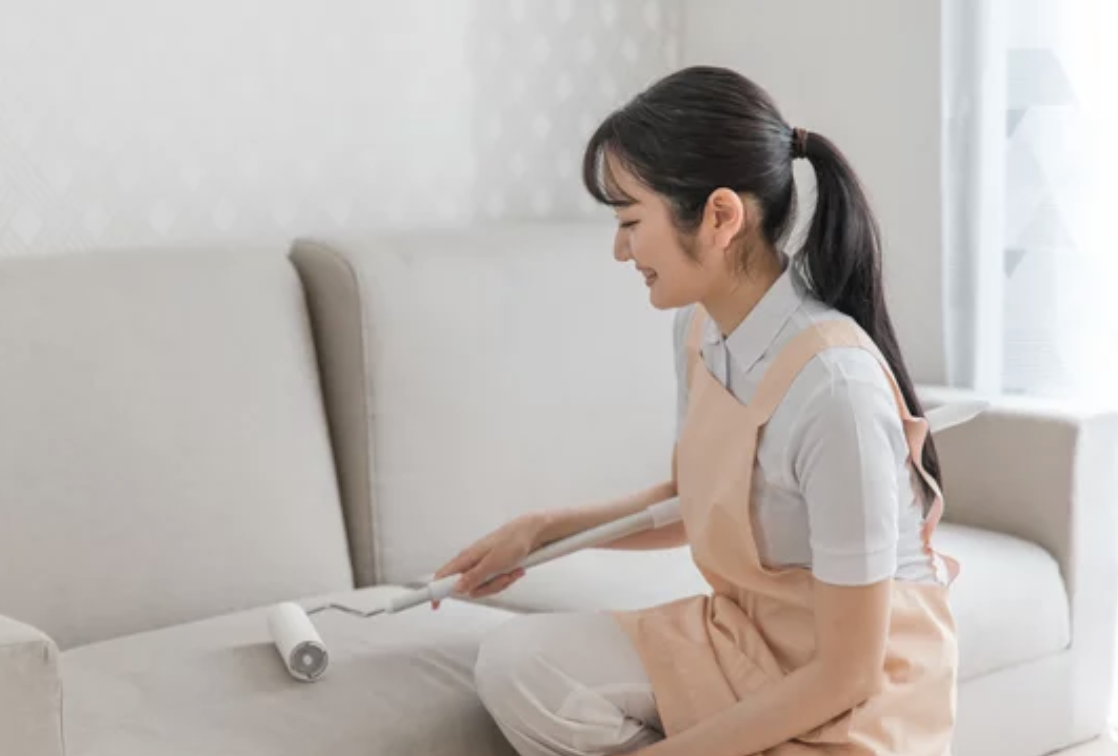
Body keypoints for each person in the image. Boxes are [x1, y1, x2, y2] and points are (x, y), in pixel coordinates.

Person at [431, 66, 959, 756]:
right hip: (748, 642)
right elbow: (696, 502)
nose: (620, 249)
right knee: (519, 666)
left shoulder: (836, 392)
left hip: (860, 700)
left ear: (719, 217)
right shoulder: (701, 330)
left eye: (630, 221)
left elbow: (848, 675)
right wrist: (543, 531)